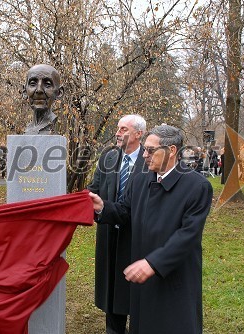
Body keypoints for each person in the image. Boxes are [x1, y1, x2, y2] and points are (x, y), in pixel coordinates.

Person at [89, 125, 213, 334]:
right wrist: (103, 207)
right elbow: (125, 211)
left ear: (172, 150)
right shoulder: (141, 180)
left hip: (175, 279)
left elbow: (188, 235)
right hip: (143, 280)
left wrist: (153, 263)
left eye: (150, 150)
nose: (145, 155)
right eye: (145, 149)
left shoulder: (196, 186)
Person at [87, 114, 147, 334]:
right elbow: (94, 188)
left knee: (137, 294)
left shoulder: (149, 162)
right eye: (118, 129)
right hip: (109, 235)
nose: (118, 133)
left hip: (137, 237)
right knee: (112, 293)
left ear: (139, 134)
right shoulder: (108, 158)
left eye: (123, 129)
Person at [22, 64, 64, 135]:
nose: (39, 90)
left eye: (47, 84)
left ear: (59, 93)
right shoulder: (27, 130)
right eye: (33, 84)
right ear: (25, 91)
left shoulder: (53, 128)